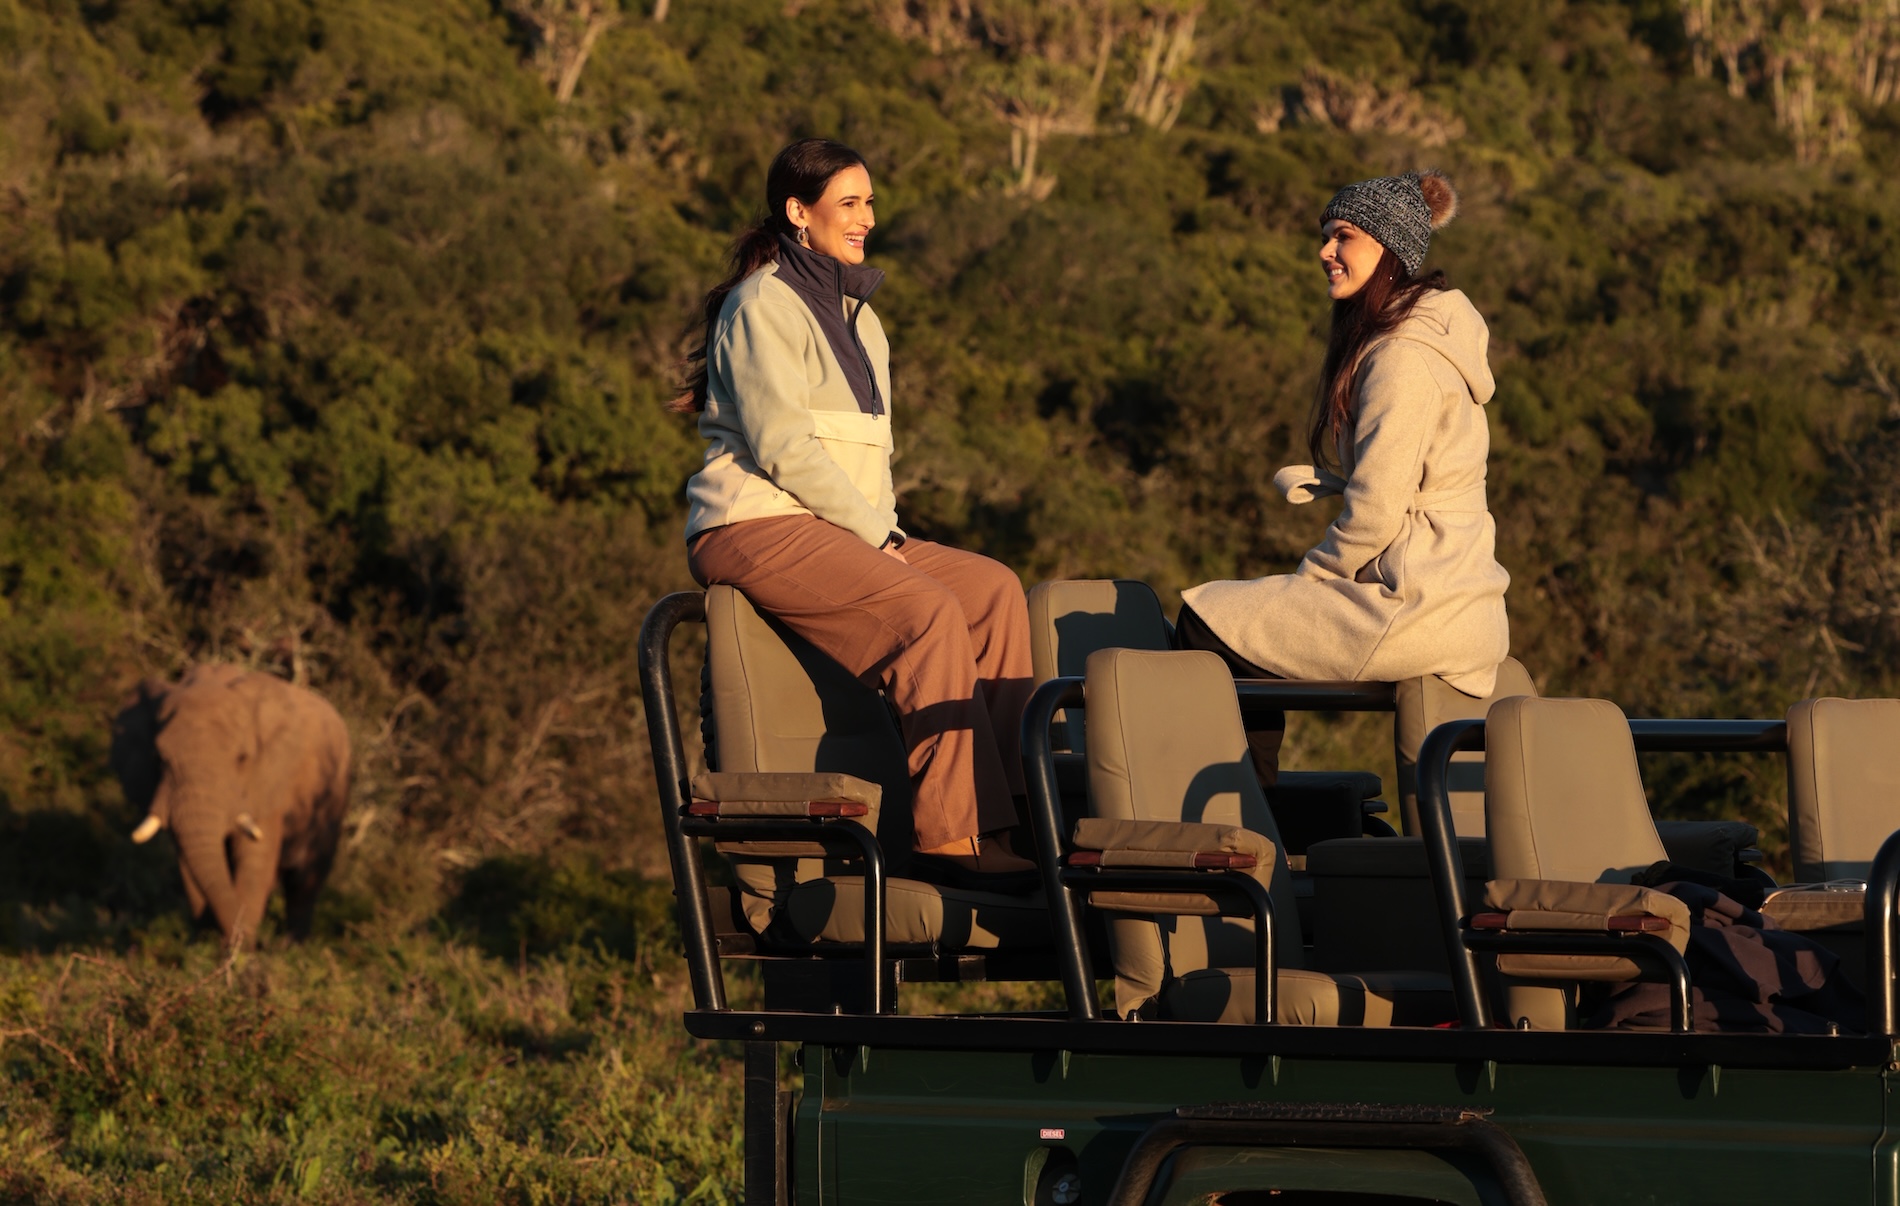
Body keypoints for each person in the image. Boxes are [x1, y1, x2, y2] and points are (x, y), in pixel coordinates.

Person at [676, 138, 1036, 883]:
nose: (867, 216)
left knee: (994, 592)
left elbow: (871, 460)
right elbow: (784, 450)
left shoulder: (863, 319)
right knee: (927, 612)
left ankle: (1014, 820)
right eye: (849, 202)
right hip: (752, 524)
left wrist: (883, 531)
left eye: (869, 201)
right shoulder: (760, 305)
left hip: (833, 526)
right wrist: (880, 540)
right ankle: (948, 838)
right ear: (797, 213)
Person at [1177, 169, 1510, 784]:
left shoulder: (1402, 357)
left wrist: (1316, 577)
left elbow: (1378, 511)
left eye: (1344, 236)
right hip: (1456, 594)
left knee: (1208, 619)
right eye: (1326, 235)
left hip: (1413, 600)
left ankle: (1248, 813)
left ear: (1388, 250)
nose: (1325, 251)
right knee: (1242, 622)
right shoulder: (1421, 338)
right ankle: (1256, 805)